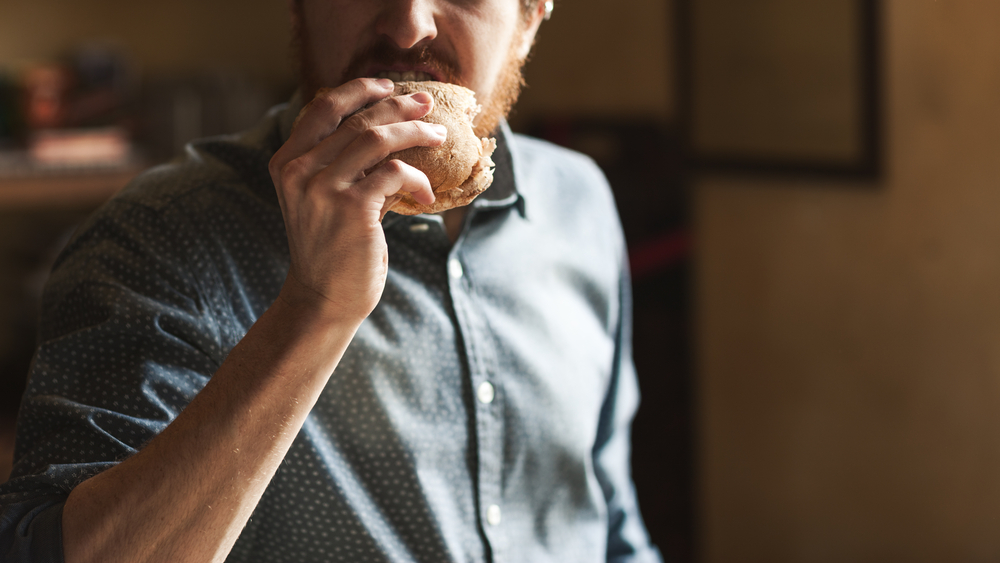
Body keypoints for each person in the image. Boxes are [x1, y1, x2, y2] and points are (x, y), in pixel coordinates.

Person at [0, 0, 663, 561]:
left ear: (531, 12)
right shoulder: (153, 239)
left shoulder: (579, 202)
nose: (408, 27)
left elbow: (605, 515)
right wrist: (315, 310)